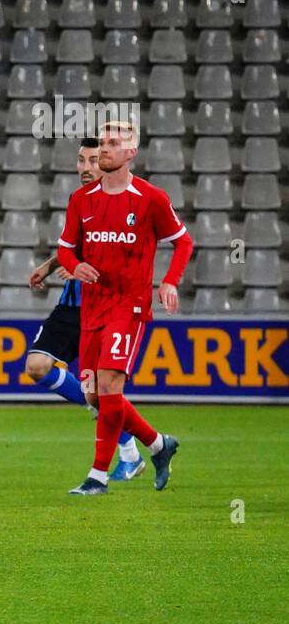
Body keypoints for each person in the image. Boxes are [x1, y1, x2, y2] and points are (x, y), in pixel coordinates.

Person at [58, 121, 193, 496]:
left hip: (129, 306)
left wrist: (168, 281)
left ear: (131, 152)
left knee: (110, 383)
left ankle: (97, 477)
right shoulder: (81, 200)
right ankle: (157, 445)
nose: (104, 149)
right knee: (94, 396)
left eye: (113, 143)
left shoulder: (150, 198)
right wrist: (73, 266)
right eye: (103, 142)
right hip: (93, 307)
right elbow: (66, 248)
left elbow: (183, 243)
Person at [26, 137, 142, 479]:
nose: (86, 168)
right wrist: (49, 266)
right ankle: (138, 447)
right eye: (81, 160)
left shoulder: (125, 201)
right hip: (71, 307)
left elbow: (126, 255)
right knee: (37, 366)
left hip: (106, 309)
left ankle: (135, 451)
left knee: (101, 394)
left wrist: (82, 264)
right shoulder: (81, 202)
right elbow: (71, 246)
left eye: (93, 160)